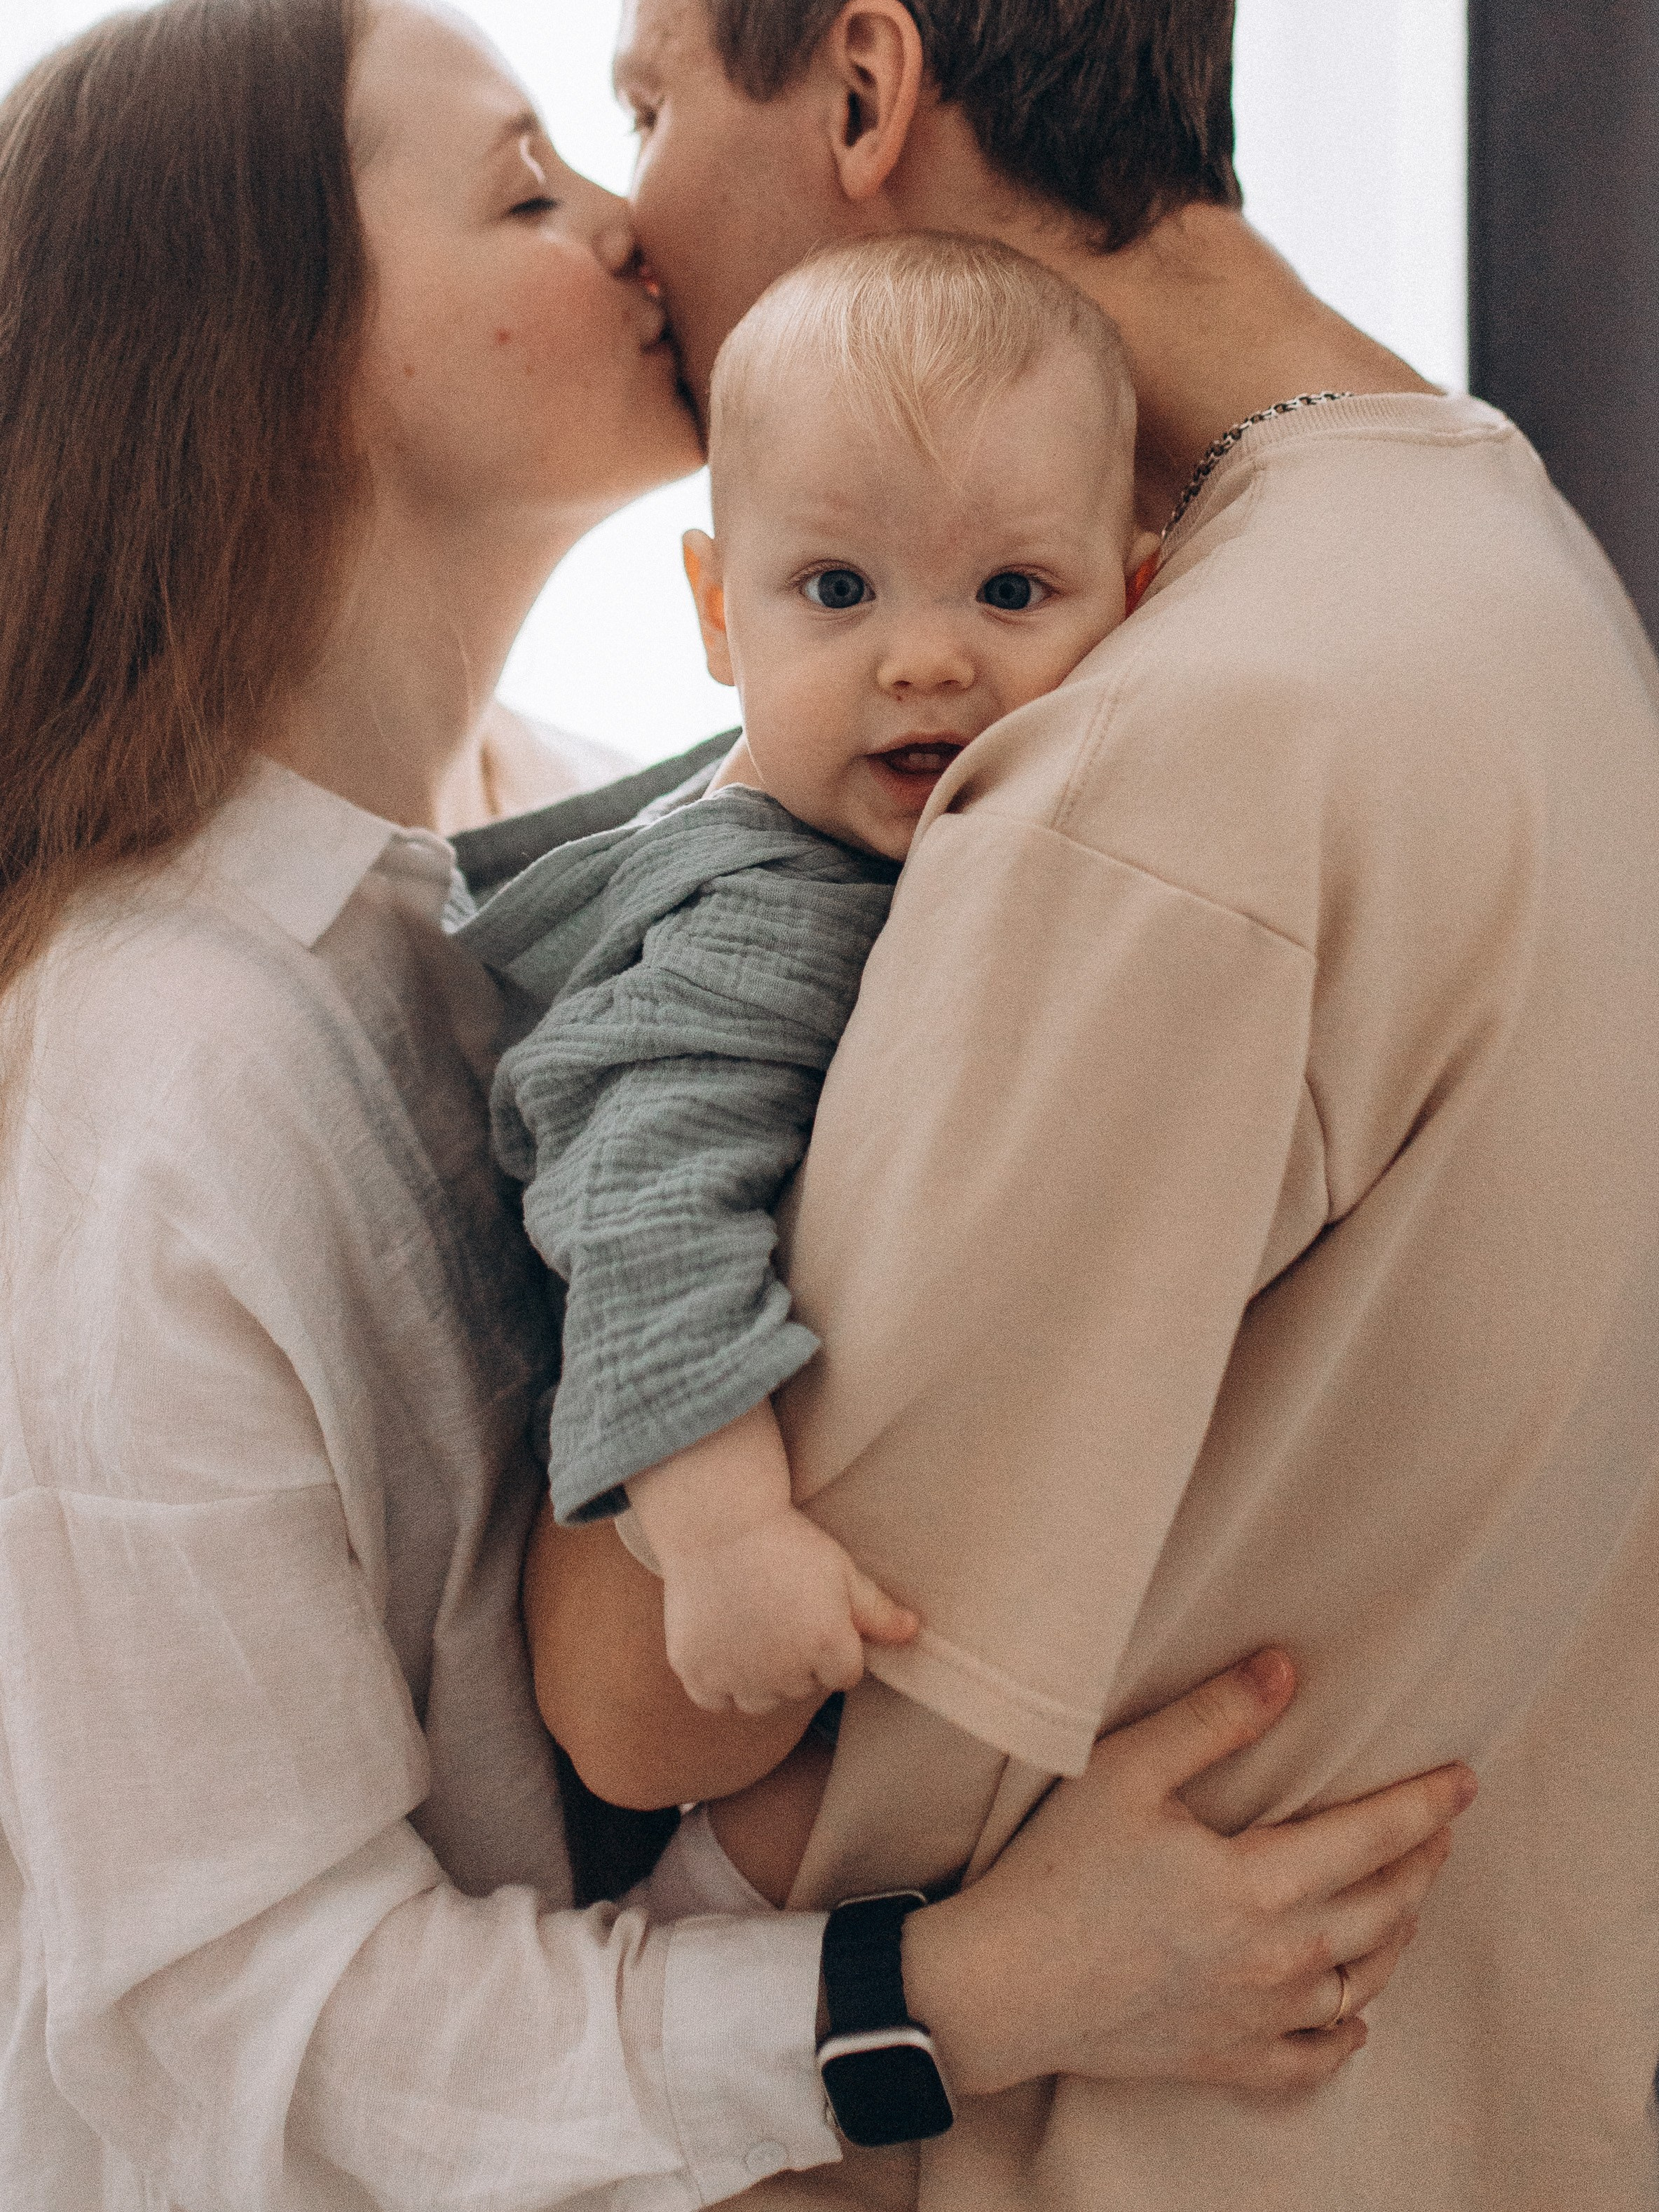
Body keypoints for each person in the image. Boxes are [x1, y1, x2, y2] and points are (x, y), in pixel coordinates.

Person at [0, 3, 1472, 2208]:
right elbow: (234, 2030)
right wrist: (967, 1988)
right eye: (528, 190)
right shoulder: (152, 1075)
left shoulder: (619, 823)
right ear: (281, 353)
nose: (633, 224)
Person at [531, 0, 1659, 2205]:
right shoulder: (1504, 554)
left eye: (649, 107)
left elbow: (649, 1695)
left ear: (865, 91)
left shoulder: (1168, 769)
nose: (627, 218)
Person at [461, 232, 1159, 1719]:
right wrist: (725, 1535)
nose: (921, 659)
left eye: (1010, 591)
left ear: (1136, 601)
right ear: (719, 616)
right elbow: (638, 1208)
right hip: (674, 1559)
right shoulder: (755, 914)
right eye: (836, 589)